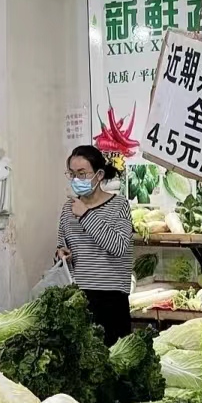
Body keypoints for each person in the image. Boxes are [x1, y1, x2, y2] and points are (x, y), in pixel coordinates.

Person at [56, 145, 133, 344]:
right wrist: (61, 254)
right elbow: (61, 245)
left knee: (114, 364)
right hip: (78, 297)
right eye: (72, 174)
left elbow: (118, 246)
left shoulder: (119, 205)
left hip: (112, 299)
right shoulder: (67, 209)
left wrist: (86, 215)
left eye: (82, 174)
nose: (76, 180)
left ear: (98, 175)